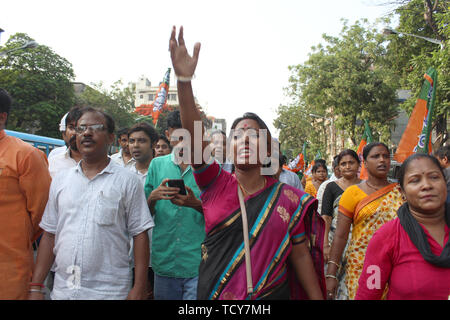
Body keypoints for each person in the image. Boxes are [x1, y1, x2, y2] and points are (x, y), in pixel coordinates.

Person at [169, 26, 325, 300]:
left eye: (253, 136)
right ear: (228, 149)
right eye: (237, 136)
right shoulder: (214, 183)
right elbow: (194, 138)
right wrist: (184, 80)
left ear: (268, 151)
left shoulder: (289, 198)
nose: (244, 140)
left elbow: (300, 255)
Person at [29, 107, 154, 300]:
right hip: (64, 290)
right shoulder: (61, 181)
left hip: (109, 292)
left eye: (96, 127)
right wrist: (36, 286)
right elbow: (49, 233)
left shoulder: (128, 181)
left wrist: (138, 287)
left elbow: (140, 234)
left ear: (111, 138)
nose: (87, 133)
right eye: (81, 129)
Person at [356, 154, 449, 300]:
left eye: (434, 177)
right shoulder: (386, 237)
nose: (427, 185)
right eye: (415, 180)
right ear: (402, 192)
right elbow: (368, 294)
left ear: (445, 182)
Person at [326, 142, 405, 300]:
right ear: (365, 163)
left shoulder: (401, 191)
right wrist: (331, 274)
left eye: (385, 156)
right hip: (363, 266)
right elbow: (340, 236)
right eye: (376, 156)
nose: (382, 160)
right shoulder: (352, 193)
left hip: (398, 265)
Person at [144, 110, 205, 300]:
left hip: (197, 261)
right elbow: (144, 215)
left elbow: (220, 213)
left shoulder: (209, 167)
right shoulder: (156, 165)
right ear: (168, 134)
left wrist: (196, 204)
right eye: (178, 135)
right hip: (164, 260)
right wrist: (153, 197)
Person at [0, 88, 52, 299]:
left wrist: (16, 236)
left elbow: (42, 214)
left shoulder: (26, 155)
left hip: (9, 270)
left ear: (2, 116)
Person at [320, 149, 361, 300]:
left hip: (360, 242)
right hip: (335, 240)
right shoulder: (331, 187)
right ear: (338, 167)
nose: (348, 166)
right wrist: (325, 244)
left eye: (351, 162)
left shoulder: (366, 187)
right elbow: (326, 217)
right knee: (332, 280)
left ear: (359, 165)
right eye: (343, 164)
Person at [127, 121, 159, 299]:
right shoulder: (122, 175)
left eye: (141, 141)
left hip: (157, 255)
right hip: (127, 256)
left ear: (153, 144)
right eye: (132, 141)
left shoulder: (164, 173)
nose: (135, 146)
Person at [48, 107, 83, 178]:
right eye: (71, 128)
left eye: (81, 128)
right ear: (65, 132)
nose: (75, 133)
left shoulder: (105, 165)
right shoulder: (53, 163)